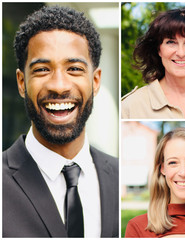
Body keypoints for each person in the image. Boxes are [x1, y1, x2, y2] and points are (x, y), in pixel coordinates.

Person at [3, 5, 119, 238]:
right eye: (42, 69)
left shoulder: (118, 175)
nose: (59, 85)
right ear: (21, 82)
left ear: (95, 81)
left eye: (74, 69)